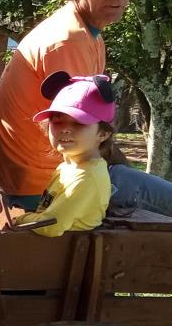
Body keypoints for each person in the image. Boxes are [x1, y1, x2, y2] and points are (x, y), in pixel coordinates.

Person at [0, 0, 137, 210]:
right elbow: (82, 128)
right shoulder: (69, 39)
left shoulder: (88, 33)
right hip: (42, 182)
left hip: (55, 172)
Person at [14, 73, 114, 237]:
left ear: (103, 134)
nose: (64, 129)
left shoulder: (87, 177)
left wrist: (20, 220)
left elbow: (50, 225)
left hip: (66, 256)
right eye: (57, 121)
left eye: (79, 123)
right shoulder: (67, 167)